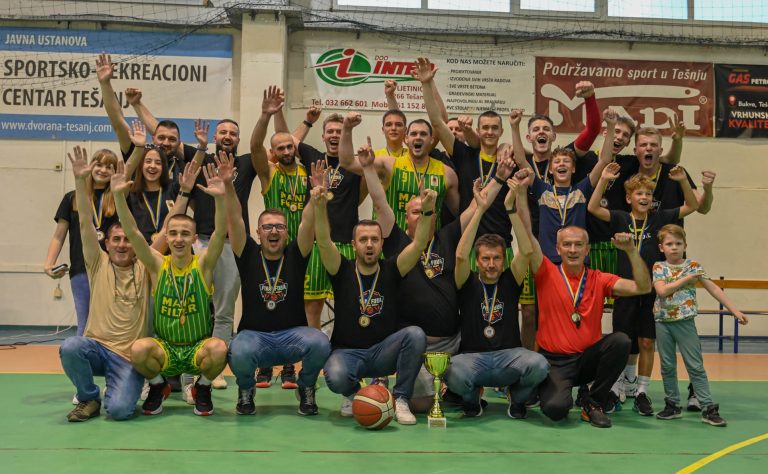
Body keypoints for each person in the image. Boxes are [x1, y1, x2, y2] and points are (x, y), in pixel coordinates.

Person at [364, 136, 515, 411]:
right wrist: (366, 168)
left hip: (452, 342)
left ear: (436, 215)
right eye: (416, 211)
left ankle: (453, 386)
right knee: (421, 405)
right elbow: (379, 201)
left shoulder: (447, 236)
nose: (423, 214)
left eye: (428, 211)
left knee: (461, 383)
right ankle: (431, 386)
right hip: (416, 344)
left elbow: (477, 206)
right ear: (406, 217)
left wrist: (500, 178)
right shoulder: (395, 240)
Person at [315, 167, 435, 425]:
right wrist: (320, 206)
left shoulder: (392, 268)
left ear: (381, 244)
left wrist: (427, 211)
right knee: (335, 375)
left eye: (374, 239)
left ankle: (400, 399)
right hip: (348, 352)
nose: (369, 244)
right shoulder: (341, 268)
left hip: (383, 351)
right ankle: (355, 395)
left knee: (415, 334)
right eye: (363, 240)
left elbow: (419, 244)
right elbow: (323, 241)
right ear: (354, 244)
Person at [113, 157, 229, 417]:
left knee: (220, 348)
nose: (178, 239)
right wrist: (119, 197)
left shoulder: (203, 265)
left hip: (197, 348)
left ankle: (203, 387)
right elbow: (132, 233)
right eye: (173, 233)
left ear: (194, 238)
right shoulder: (157, 264)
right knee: (139, 349)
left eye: (185, 234)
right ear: (166, 237)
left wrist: (221, 199)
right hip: (165, 348)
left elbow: (220, 233)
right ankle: (158, 386)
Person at [589, 164, 699, 416]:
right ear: (629, 198)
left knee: (647, 341)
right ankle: (616, 387)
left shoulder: (660, 218)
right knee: (623, 341)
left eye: (648, 194)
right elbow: (593, 208)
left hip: (653, 291)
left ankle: (641, 391)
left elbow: (692, 206)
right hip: (625, 289)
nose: (644, 197)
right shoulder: (620, 218)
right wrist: (604, 179)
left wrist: (683, 181)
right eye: (639, 193)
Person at [446, 169, 550, 419]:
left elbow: (526, 251)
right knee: (451, 372)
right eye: (485, 259)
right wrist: (480, 210)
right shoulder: (467, 281)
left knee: (539, 364)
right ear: (477, 261)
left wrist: (510, 209)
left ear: (504, 260)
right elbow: (460, 255)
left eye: (496, 258)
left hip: (509, 357)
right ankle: (472, 400)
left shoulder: (510, 279)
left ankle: (518, 399)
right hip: (473, 358)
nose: (491, 264)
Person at [59, 146, 150, 422]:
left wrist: (119, 195)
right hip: (97, 349)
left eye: (127, 240)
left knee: (120, 411)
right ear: (106, 244)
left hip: (127, 356)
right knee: (71, 346)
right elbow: (85, 223)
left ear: (135, 244)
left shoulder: (147, 264)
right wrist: (80, 181)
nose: (122, 245)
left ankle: (122, 386)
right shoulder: (97, 262)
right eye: (116, 240)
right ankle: (88, 397)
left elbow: (138, 231)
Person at [531, 221, 652, 427]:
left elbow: (643, 287)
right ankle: (551, 390)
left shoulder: (599, 278)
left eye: (578, 245)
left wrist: (631, 251)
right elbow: (527, 241)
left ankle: (593, 403)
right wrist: (517, 206)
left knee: (621, 341)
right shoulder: (545, 272)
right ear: (558, 249)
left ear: (587, 250)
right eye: (567, 244)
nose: (573, 250)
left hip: (587, 360)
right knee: (556, 409)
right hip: (556, 362)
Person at [652, 224, 748, 426]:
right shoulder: (659, 267)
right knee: (667, 365)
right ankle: (672, 404)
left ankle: (707, 407)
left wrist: (734, 310)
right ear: (661, 247)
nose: (674, 247)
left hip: (685, 322)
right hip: (663, 322)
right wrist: (687, 279)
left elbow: (714, 288)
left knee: (695, 365)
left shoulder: (694, 266)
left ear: (685, 245)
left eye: (678, 243)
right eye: (669, 244)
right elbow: (662, 291)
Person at [250, 85, 312, 389]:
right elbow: (254, 146)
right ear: (273, 153)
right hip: (271, 249)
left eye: (290, 147)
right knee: (267, 304)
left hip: (298, 251)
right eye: (281, 148)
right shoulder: (269, 174)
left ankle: (289, 366)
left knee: (293, 306)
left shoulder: (308, 174)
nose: (287, 151)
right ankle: (264, 366)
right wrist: (266, 115)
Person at [339, 111, 460, 232]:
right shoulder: (389, 165)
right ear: (406, 139)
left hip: (431, 241)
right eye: (413, 134)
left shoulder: (447, 173)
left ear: (432, 139)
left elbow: (458, 214)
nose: (418, 137)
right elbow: (347, 162)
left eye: (423, 134)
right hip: (393, 239)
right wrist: (347, 128)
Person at [45, 148, 119, 337]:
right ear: (91, 166)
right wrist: (49, 263)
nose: (103, 170)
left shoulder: (118, 198)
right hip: (80, 269)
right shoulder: (72, 198)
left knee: (110, 322)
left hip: (112, 270)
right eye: (99, 164)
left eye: (109, 167)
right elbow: (58, 235)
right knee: (84, 324)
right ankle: (81, 354)